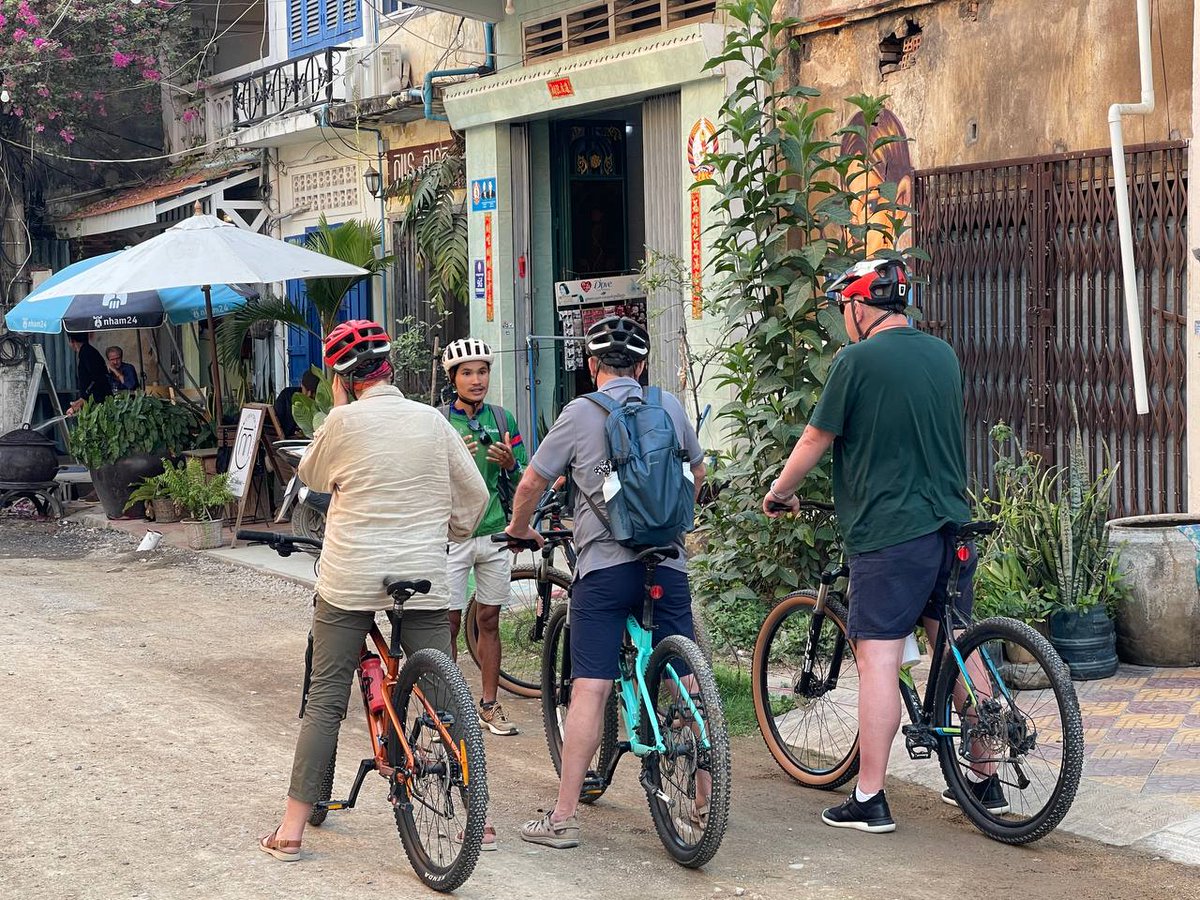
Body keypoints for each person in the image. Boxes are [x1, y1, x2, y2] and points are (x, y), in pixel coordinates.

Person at [258, 319, 489, 862]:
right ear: (392, 368)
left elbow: (312, 479)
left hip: (350, 578)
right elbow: (474, 496)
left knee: (326, 695)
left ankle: (290, 832)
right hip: (425, 574)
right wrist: (449, 532)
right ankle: (479, 818)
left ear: (343, 379)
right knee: (441, 688)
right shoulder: (434, 421)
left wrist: (340, 409)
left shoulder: (342, 421)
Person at [761, 258, 979, 835]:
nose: (842, 321)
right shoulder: (943, 354)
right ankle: (984, 778)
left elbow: (815, 437)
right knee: (955, 645)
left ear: (861, 304)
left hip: (890, 533)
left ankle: (870, 796)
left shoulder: (854, 362)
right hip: (952, 524)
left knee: (878, 657)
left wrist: (781, 491)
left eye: (842, 308)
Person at [503, 316, 706, 849]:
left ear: (592, 368)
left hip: (605, 566)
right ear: (641, 367)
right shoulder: (669, 406)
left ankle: (563, 818)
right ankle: (707, 796)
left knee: (589, 687)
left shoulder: (579, 413)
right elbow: (697, 474)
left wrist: (518, 528)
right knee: (683, 676)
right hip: (668, 561)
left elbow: (532, 481)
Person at [439, 338, 527, 737]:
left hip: (494, 534)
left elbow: (526, 477)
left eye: (483, 371)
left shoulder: (504, 419)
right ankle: (448, 705)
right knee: (450, 623)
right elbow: (423, 479)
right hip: (452, 536)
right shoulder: (438, 421)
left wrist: (511, 463)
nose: (477, 380)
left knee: (489, 620)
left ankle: (489, 705)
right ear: (452, 378)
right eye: (467, 372)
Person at [66, 332, 112, 414]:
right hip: (96, 400)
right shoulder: (87, 352)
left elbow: (96, 378)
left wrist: (84, 398)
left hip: (99, 402)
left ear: (72, 341)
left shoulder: (87, 353)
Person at [273, 370, 320, 438]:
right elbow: (275, 421)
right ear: (301, 385)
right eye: (306, 390)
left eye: (313, 392)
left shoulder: (321, 404)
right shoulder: (287, 396)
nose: (309, 395)